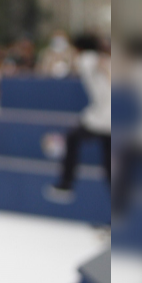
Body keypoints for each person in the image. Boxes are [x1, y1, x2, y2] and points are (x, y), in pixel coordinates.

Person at [44, 33, 112, 204]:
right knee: (108, 158)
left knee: (73, 137)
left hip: (103, 116)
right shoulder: (101, 59)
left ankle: (66, 184)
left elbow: (76, 63)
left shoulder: (87, 58)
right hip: (110, 115)